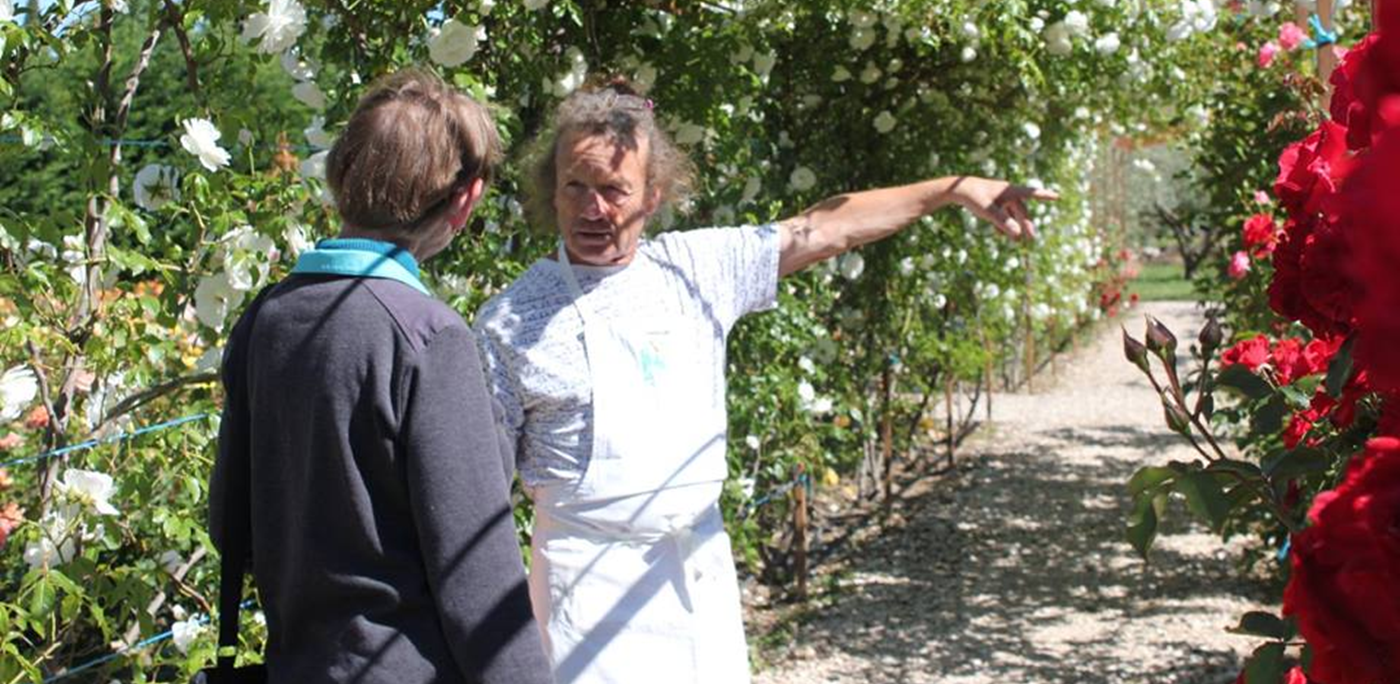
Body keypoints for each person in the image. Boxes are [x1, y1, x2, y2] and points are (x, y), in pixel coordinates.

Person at [474, 80, 1056, 684]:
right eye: (577, 187)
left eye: (614, 190)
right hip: (582, 593)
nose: (594, 210)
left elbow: (829, 227)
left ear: (653, 196)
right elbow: (479, 489)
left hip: (694, 574)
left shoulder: (696, 270)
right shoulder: (514, 318)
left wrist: (953, 190)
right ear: (553, 189)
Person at [210, 70, 554, 684]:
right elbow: (478, 573)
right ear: (466, 199)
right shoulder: (427, 336)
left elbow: (228, 524)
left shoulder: (266, 318)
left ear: (341, 175)